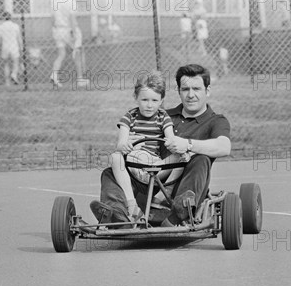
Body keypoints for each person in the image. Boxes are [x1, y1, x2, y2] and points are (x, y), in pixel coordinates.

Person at [90, 64, 231, 228]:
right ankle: (118, 215)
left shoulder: (215, 121)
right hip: (147, 181)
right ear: (179, 91)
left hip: (181, 185)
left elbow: (224, 147)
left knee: (201, 159)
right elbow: (130, 133)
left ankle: (178, 212)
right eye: (185, 89)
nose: (191, 95)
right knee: (111, 171)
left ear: (207, 91)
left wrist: (188, 144)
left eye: (196, 89)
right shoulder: (160, 114)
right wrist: (130, 142)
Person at [109, 71, 188, 221]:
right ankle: (131, 204)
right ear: (136, 98)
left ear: (161, 100)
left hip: (156, 167)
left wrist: (172, 143)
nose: (149, 105)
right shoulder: (129, 117)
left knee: (183, 155)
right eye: (144, 100)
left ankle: (161, 196)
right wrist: (125, 146)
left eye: (154, 100)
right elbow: (121, 143)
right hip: (134, 164)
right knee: (115, 157)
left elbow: (171, 138)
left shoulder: (162, 117)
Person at [50, 0, 80, 87]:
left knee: (61, 54)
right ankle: (80, 78)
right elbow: (72, 18)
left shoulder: (55, 3)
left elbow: (52, 19)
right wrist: (74, 33)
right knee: (76, 51)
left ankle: (54, 75)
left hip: (57, 30)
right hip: (66, 29)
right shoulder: (71, 2)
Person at [0, 11, 23, 86]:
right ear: (10, 18)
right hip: (14, 46)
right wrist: (21, 47)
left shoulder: (0, 27)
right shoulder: (15, 26)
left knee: (6, 64)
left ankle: (7, 82)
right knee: (16, 62)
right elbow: (19, 38)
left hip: (5, 47)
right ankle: (14, 74)